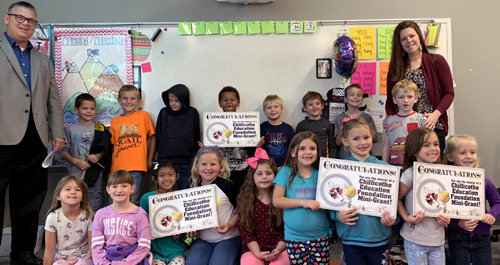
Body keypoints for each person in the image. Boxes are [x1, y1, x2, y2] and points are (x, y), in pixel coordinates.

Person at [0, 2, 65, 264]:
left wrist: (57, 132)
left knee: (29, 202)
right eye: (20, 18)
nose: (26, 23)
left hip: (35, 140)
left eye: (31, 20)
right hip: (2, 139)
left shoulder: (42, 60)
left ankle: (23, 253)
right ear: (7, 19)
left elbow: (53, 100)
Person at [330, 118, 395, 265]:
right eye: (356, 139)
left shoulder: (384, 168)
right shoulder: (339, 169)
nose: (362, 142)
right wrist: (337, 215)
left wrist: (393, 219)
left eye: (366, 137)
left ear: (372, 137)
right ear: (345, 141)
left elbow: (393, 202)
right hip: (351, 238)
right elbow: (330, 202)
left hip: (379, 237)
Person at [386, 20, 454, 153]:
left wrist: (436, 114)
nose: (409, 41)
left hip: (432, 126)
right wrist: (389, 118)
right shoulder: (395, 68)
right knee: (406, 169)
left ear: (419, 36)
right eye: (404, 39)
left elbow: (449, 93)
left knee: (431, 170)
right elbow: (390, 101)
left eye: (412, 36)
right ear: (399, 43)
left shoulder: (437, 61)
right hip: (404, 129)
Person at [272, 131, 330, 265]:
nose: (308, 152)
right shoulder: (286, 172)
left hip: (320, 236)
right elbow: (277, 200)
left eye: (312, 148)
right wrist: (304, 202)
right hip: (295, 238)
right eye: (302, 148)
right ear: (293, 152)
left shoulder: (322, 174)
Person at [397, 128, 450, 265]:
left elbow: (448, 202)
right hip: (415, 238)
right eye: (426, 145)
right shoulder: (410, 173)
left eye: (436, 144)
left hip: (438, 239)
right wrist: (406, 217)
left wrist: (447, 219)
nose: (433, 148)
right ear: (414, 150)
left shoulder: (444, 173)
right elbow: (395, 199)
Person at [444, 135, 500, 265]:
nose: (469, 156)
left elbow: (497, 202)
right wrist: (456, 223)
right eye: (463, 153)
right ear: (450, 157)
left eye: (472, 152)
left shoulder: (484, 181)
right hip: (457, 236)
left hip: (482, 236)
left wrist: (492, 214)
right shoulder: (446, 182)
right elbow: (442, 208)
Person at [185, 146, 241, 265]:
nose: (208, 168)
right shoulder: (192, 189)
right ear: (197, 166)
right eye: (204, 164)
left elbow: (241, 210)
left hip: (229, 238)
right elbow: (191, 216)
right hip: (203, 240)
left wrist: (230, 225)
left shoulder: (228, 186)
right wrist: (191, 230)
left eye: (213, 164)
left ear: (220, 165)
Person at [236, 148, 288, 265]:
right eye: (259, 174)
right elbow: (245, 231)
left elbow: (288, 228)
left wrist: (278, 250)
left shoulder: (282, 199)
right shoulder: (246, 200)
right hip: (253, 248)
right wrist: (257, 253)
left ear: (275, 175)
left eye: (268, 173)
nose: (264, 177)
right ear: (252, 177)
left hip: (280, 247)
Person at [61, 93, 110, 211]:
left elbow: (106, 148)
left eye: (92, 109)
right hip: (75, 173)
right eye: (84, 108)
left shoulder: (100, 127)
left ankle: (92, 227)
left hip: (95, 174)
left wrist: (98, 156)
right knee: (75, 200)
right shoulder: (70, 129)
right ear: (76, 109)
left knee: (94, 201)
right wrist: (75, 161)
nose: (89, 111)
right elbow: (62, 152)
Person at [92, 170, 152, 265]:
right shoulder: (100, 214)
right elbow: (96, 246)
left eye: (124, 186)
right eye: (114, 186)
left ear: (132, 188)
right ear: (108, 190)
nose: (119, 190)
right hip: (106, 259)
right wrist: (103, 263)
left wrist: (124, 263)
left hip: (132, 260)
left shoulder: (140, 214)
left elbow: (144, 246)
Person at [110, 85, 155, 204]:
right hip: (117, 168)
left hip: (137, 166)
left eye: (133, 98)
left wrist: (150, 158)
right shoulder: (114, 122)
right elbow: (114, 145)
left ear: (138, 101)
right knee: (117, 200)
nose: (129, 102)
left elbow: (152, 137)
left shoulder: (143, 116)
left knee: (132, 200)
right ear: (119, 100)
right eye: (125, 98)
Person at [140, 161, 187, 265]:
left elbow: (186, 225)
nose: (166, 179)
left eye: (170, 175)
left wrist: (181, 233)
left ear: (177, 176)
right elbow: (140, 224)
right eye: (162, 175)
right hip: (154, 251)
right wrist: (147, 232)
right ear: (154, 179)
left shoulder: (182, 198)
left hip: (175, 250)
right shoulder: (146, 199)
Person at [156, 84, 200, 189]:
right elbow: (158, 135)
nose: (173, 103)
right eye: (170, 100)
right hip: (166, 160)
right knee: (165, 191)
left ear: (183, 99)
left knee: (184, 190)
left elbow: (196, 135)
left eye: (176, 100)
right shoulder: (164, 112)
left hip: (186, 160)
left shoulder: (192, 113)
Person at [43, 176, 94, 265]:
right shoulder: (52, 218)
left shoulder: (89, 216)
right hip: (61, 260)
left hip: (84, 258)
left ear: (83, 196)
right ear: (58, 196)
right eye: (68, 189)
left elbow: (93, 247)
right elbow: (49, 251)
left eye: (78, 190)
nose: (73, 192)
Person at [217, 86, 254, 191]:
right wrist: (206, 147)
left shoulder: (247, 122)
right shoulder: (214, 123)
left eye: (232, 99)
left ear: (238, 102)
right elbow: (212, 145)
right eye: (225, 100)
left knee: (242, 198)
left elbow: (251, 148)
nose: (229, 102)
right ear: (220, 103)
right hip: (222, 169)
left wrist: (256, 143)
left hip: (243, 168)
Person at [382, 80, 425, 166]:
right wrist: (384, 165)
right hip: (394, 165)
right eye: (401, 97)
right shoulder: (389, 121)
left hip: (415, 165)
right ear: (394, 100)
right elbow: (386, 146)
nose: (405, 100)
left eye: (410, 97)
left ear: (416, 98)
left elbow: (425, 145)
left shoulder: (421, 119)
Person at [334, 84, 377, 159]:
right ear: (346, 99)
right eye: (352, 95)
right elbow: (338, 143)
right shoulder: (339, 119)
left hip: (365, 159)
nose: (355, 97)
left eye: (359, 95)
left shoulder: (367, 118)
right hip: (346, 159)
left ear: (362, 99)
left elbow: (375, 139)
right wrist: (342, 130)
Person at [258, 95, 295, 167]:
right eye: (269, 107)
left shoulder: (288, 128)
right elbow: (258, 150)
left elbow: (293, 149)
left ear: (281, 109)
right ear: (264, 111)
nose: (273, 110)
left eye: (276, 106)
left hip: (285, 166)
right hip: (267, 166)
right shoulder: (262, 127)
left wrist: (287, 165)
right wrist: (259, 145)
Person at [296, 91, 335, 158]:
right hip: (307, 157)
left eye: (317, 103)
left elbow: (332, 145)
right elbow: (297, 145)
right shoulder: (302, 125)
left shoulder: (327, 124)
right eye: (310, 105)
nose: (314, 106)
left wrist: (332, 159)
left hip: (324, 158)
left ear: (322, 106)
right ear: (305, 108)